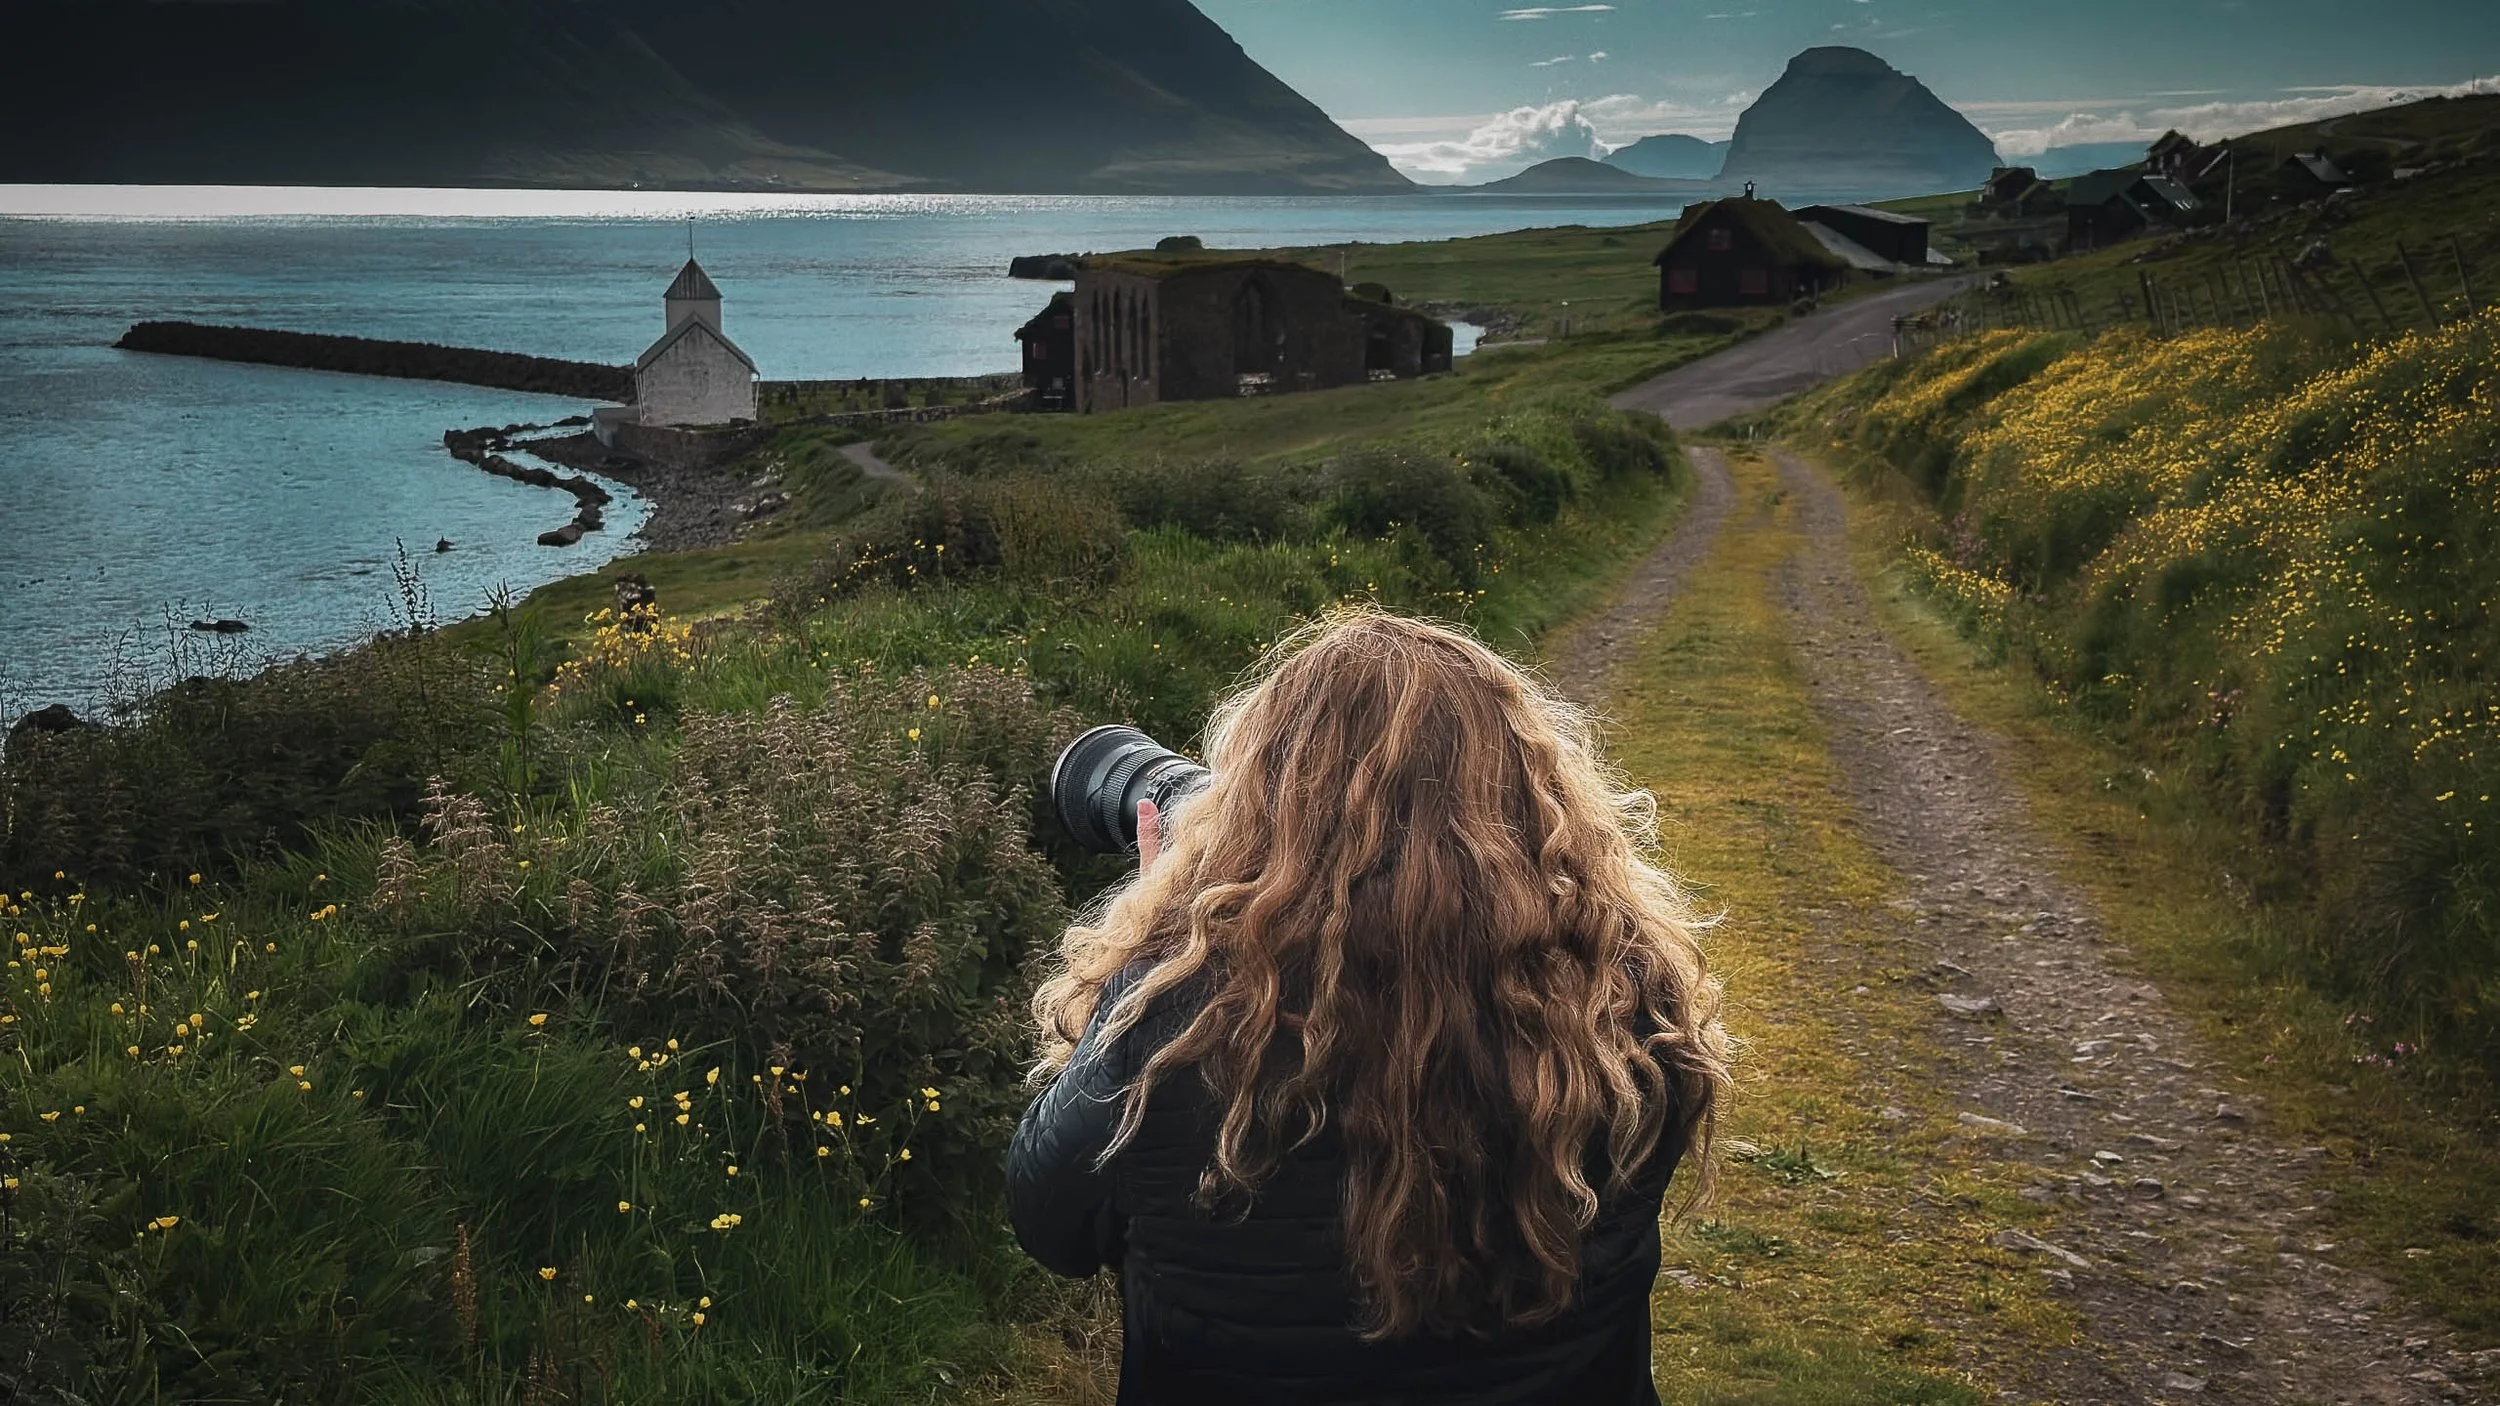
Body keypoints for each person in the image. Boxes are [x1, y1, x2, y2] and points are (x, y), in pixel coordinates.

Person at [1009, 608, 1732, 1405]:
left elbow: (1051, 1224)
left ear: (1256, 809)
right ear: (1531, 801)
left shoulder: (1173, 1027)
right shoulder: (1625, 1003)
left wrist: (1166, 924)